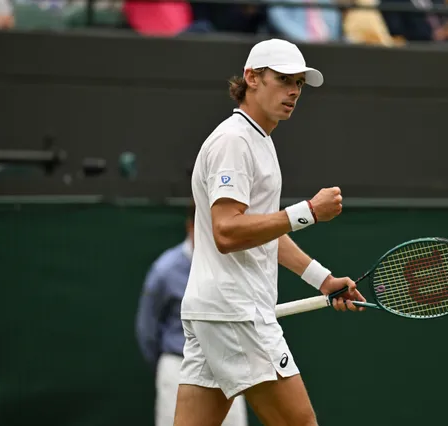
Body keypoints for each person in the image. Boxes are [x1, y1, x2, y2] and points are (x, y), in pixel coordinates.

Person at [174, 38, 367, 426]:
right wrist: (308, 212)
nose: (294, 91)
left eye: (298, 83)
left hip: (218, 313)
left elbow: (263, 233)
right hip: (236, 313)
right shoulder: (234, 140)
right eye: (283, 80)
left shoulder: (259, 141)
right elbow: (227, 232)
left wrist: (322, 279)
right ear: (251, 78)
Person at [135, 206, 248, 426]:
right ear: (190, 226)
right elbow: (147, 329)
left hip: (228, 367)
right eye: (204, 226)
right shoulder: (164, 270)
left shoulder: (235, 266)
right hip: (179, 366)